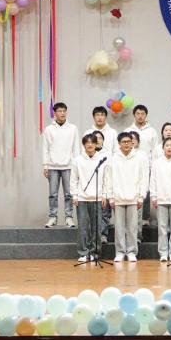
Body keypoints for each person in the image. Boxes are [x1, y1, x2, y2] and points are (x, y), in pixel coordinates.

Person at [106, 132, 148, 262]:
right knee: (119, 227)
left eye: (128, 141)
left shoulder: (139, 158)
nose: (126, 144)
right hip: (118, 198)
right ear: (119, 144)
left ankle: (131, 252)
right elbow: (108, 179)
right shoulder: (113, 158)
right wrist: (110, 197)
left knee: (132, 227)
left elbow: (143, 178)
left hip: (134, 197)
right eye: (123, 142)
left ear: (132, 143)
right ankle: (119, 252)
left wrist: (141, 196)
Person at [41, 102, 79, 228]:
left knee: (69, 194)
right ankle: (53, 217)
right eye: (60, 111)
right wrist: (45, 165)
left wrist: (76, 166)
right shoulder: (49, 129)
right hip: (52, 166)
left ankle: (69, 217)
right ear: (55, 113)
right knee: (53, 194)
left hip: (68, 166)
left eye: (64, 111)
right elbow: (45, 148)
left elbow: (76, 148)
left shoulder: (73, 128)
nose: (62, 113)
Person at [72, 133, 109, 262]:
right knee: (83, 227)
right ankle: (83, 253)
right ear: (83, 145)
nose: (90, 145)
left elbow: (106, 179)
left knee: (96, 228)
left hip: (97, 198)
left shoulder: (102, 160)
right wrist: (75, 195)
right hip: (82, 198)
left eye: (92, 142)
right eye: (87, 142)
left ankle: (95, 253)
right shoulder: (77, 160)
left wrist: (104, 195)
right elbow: (74, 179)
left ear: (96, 144)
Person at [151, 137, 171, 262]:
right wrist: (153, 196)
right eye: (167, 145)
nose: (169, 147)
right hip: (161, 198)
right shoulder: (157, 163)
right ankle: (163, 253)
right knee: (162, 228)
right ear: (163, 148)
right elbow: (153, 180)